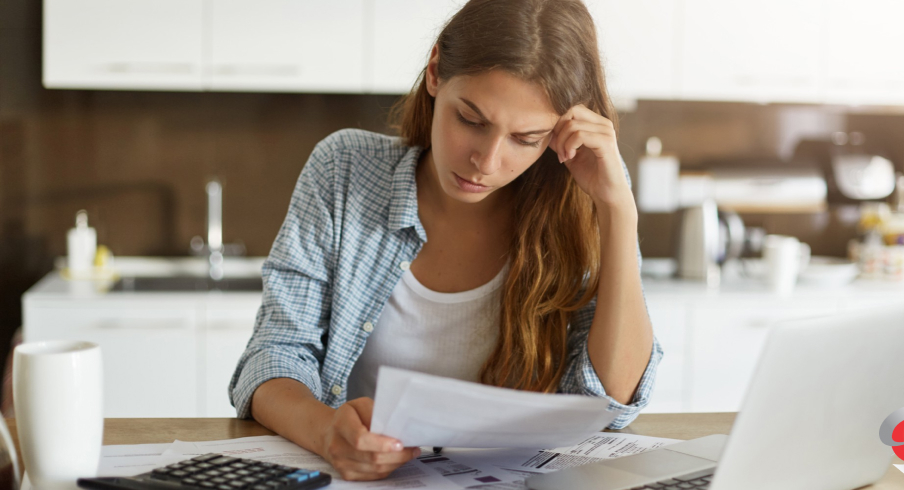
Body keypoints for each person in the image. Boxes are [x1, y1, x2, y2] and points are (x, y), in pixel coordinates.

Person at [228, 0, 663, 481]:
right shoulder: (344, 170)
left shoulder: (582, 204)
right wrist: (328, 432)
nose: (487, 160)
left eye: (526, 138)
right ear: (435, 72)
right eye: (472, 120)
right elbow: (275, 354)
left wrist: (617, 209)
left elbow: (611, 403)